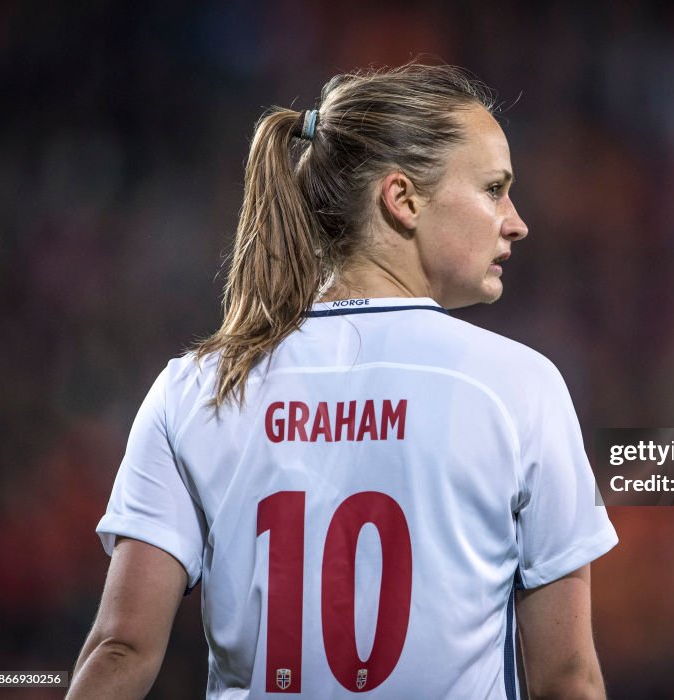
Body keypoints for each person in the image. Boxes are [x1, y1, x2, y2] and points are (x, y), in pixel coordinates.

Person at [67, 63, 617, 699]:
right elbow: (567, 676)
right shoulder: (519, 387)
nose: (516, 220)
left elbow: (121, 647)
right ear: (403, 199)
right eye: (494, 188)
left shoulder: (198, 389)